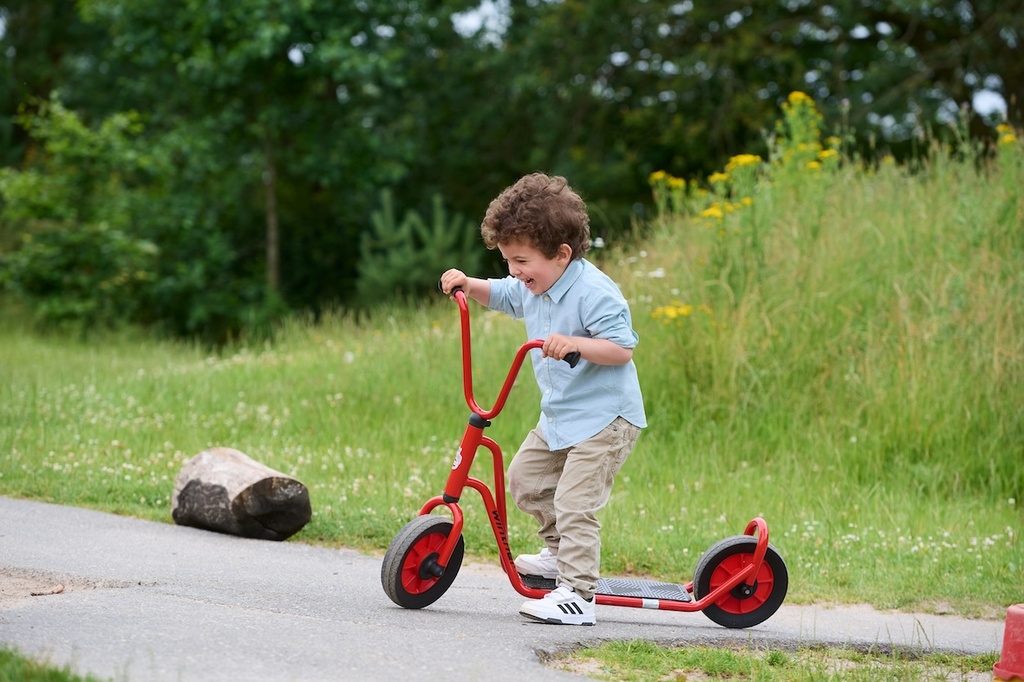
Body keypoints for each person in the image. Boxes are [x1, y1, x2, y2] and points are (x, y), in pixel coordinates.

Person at [440, 172, 646, 626]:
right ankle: (559, 555)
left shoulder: (594, 292)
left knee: (574, 501)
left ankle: (579, 594)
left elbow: (622, 348)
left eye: (521, 260)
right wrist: (470, 284)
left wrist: (575, 344)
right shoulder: (534, 285)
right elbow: (505, 293)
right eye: (508, 260)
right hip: (560, 416)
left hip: (606, 420)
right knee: (526, 479)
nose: (514, 270)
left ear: (562, 254)